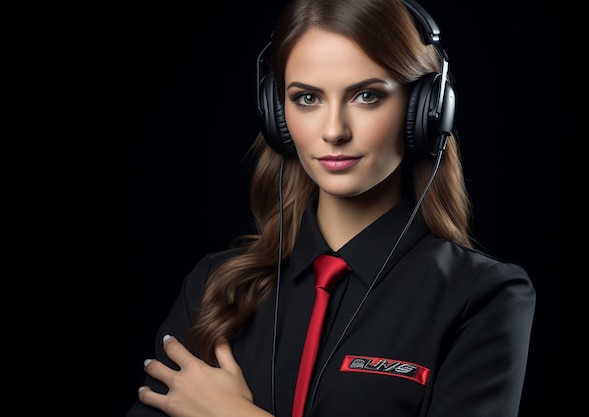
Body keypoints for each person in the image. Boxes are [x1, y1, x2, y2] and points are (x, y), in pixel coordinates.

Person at [127, 0, 536, 416]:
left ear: (424, 111)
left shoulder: (482, 297)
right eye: (307, 98)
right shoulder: (214, 285)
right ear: (276, 115)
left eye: (366, 95)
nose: (334, 131)